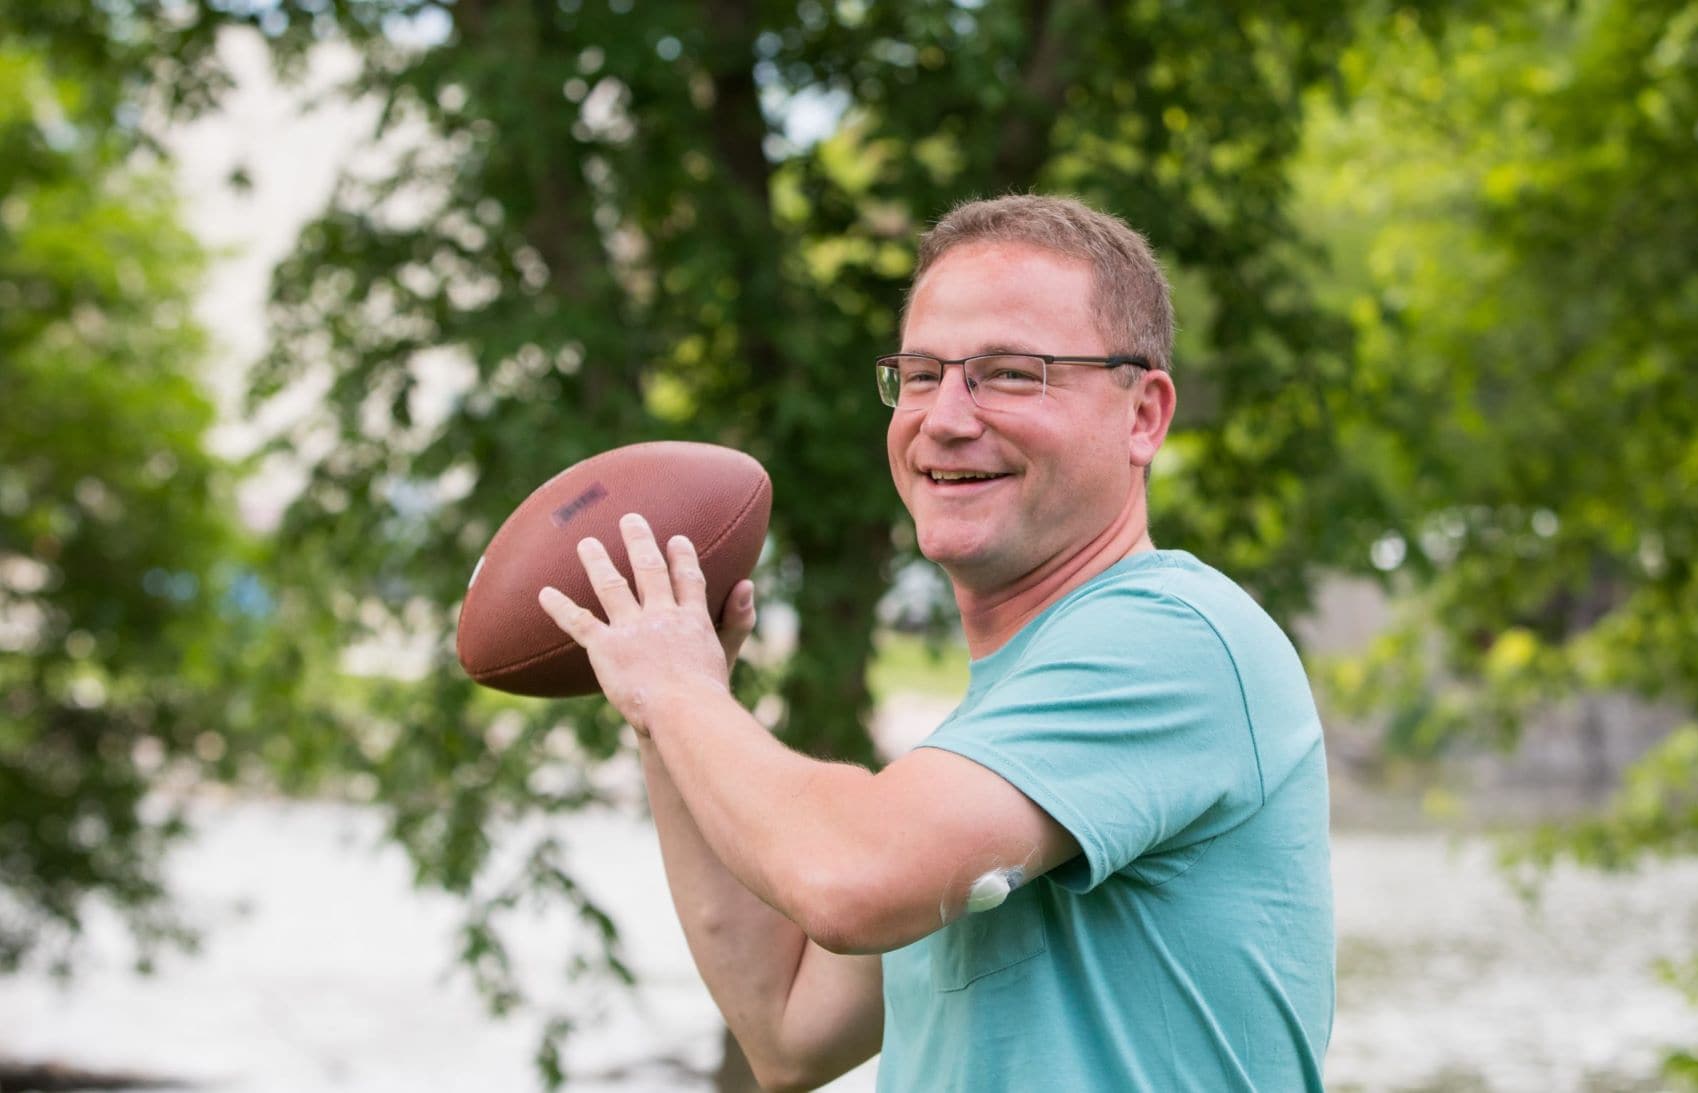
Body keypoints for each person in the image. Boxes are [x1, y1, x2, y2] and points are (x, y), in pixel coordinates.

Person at [538, 194, 1334, 1091]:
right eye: (920, 375)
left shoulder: (1174, 638)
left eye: (1008, 372)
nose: (946, 417)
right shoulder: (988, 740)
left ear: (1143, 415)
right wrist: (666, 708)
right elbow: (787, 1030)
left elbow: (846, 874)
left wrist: (678, 692)